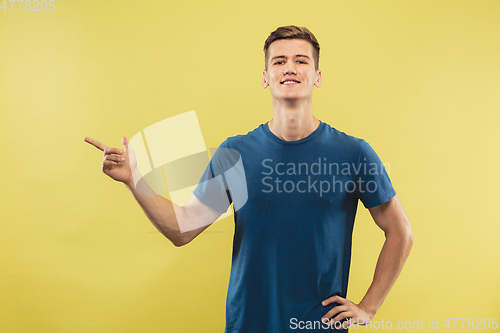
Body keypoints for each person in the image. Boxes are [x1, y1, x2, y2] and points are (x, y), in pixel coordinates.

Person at [84, 25, 413, 332]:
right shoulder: (235, 153)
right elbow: (182, 227)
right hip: (248, 323)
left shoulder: (353, 153)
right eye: (279, 61)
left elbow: (400, 233)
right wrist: (134, 180)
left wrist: (368, 307)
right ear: (266, 77)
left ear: (317, 76)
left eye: (301, 61)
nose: (290, 68)